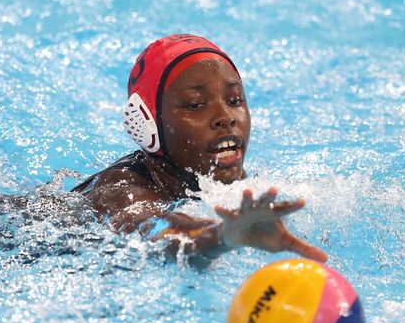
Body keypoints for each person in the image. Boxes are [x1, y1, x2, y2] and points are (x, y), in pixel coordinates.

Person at [73, 34, 327, 265]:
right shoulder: (119, 193)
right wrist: (223, 236)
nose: (225, 117)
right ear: (148, 123)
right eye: (195, 105)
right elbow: (156, 231)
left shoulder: (233, 181)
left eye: (235, 100)